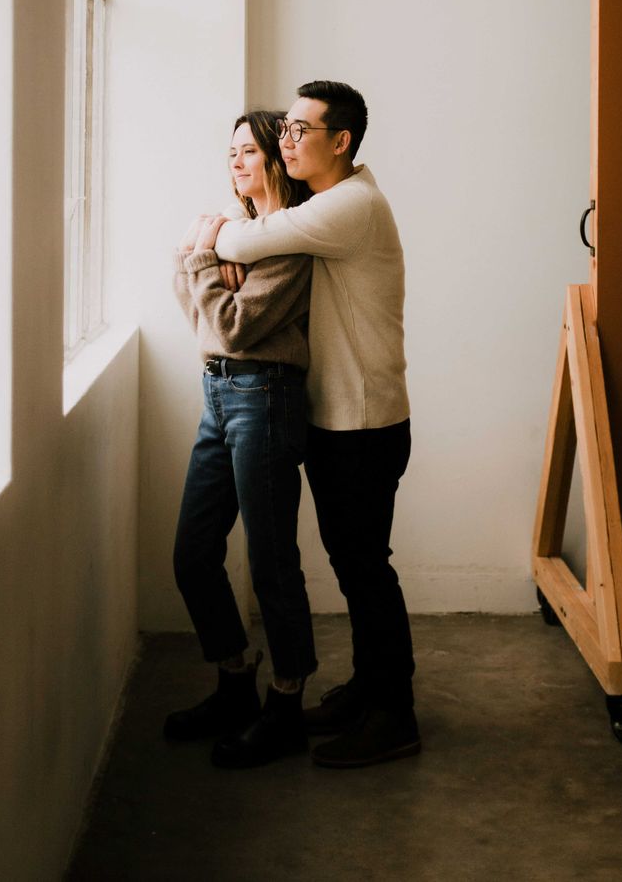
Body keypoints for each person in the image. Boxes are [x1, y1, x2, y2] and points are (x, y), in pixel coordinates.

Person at [213, 80, 419, 768]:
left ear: (342, 142)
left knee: (365, 567)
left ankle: (394, 716)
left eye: (302, 130)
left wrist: (205, 233)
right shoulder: (336, 204)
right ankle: (368, 691)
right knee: (355, 563)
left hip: (363, 422)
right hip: (344, 419)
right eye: (286, 129)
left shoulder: (349, 206)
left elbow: (245, 239)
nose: (286, 140)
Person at [166, 110, 317, 769]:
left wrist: (200, 256)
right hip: (217, 393)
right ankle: (235, 684)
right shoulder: (238, 234)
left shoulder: (287, 240)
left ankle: (285, 701)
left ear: (277, 160)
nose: (235, 162)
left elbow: (228, 325)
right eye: (230, 151)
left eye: (249, 151)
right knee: (193, 554)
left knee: (270, 561)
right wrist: (205, 268)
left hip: (266, 395)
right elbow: (197, 311)